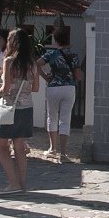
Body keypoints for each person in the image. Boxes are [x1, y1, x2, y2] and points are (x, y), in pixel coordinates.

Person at [0, 28, 38, 194]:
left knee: (0, 145)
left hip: (10, 108)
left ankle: (13, 183)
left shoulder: (9, 61)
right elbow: (36, 88)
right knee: (19, 145)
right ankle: (22, 183)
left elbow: (5, 89)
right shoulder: (32, 63)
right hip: (27, 108)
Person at [37, 25, 81, 163]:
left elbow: (37, 63)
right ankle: (63, 153)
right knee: (65, 120)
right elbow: (78, 76)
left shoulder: (51, 54)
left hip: (53, 88)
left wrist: (45, 77)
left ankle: (52, 148)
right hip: (69, 88)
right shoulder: (73, 55)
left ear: (56, 40)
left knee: (52, 117)